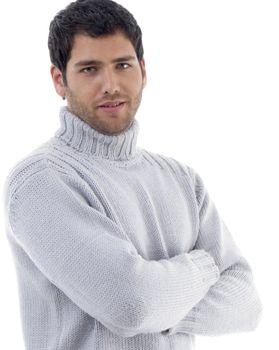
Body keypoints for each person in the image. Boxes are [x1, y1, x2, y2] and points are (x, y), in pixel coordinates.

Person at [2, 0, 262, 349]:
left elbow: (246, 305)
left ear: (143, 69)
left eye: (122, 65)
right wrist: (203, 267)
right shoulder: (41, 181)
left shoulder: (183, 180)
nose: (111, 84)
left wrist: (159, 299)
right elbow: (130, 304)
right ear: (59, 80)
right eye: (89, 69)